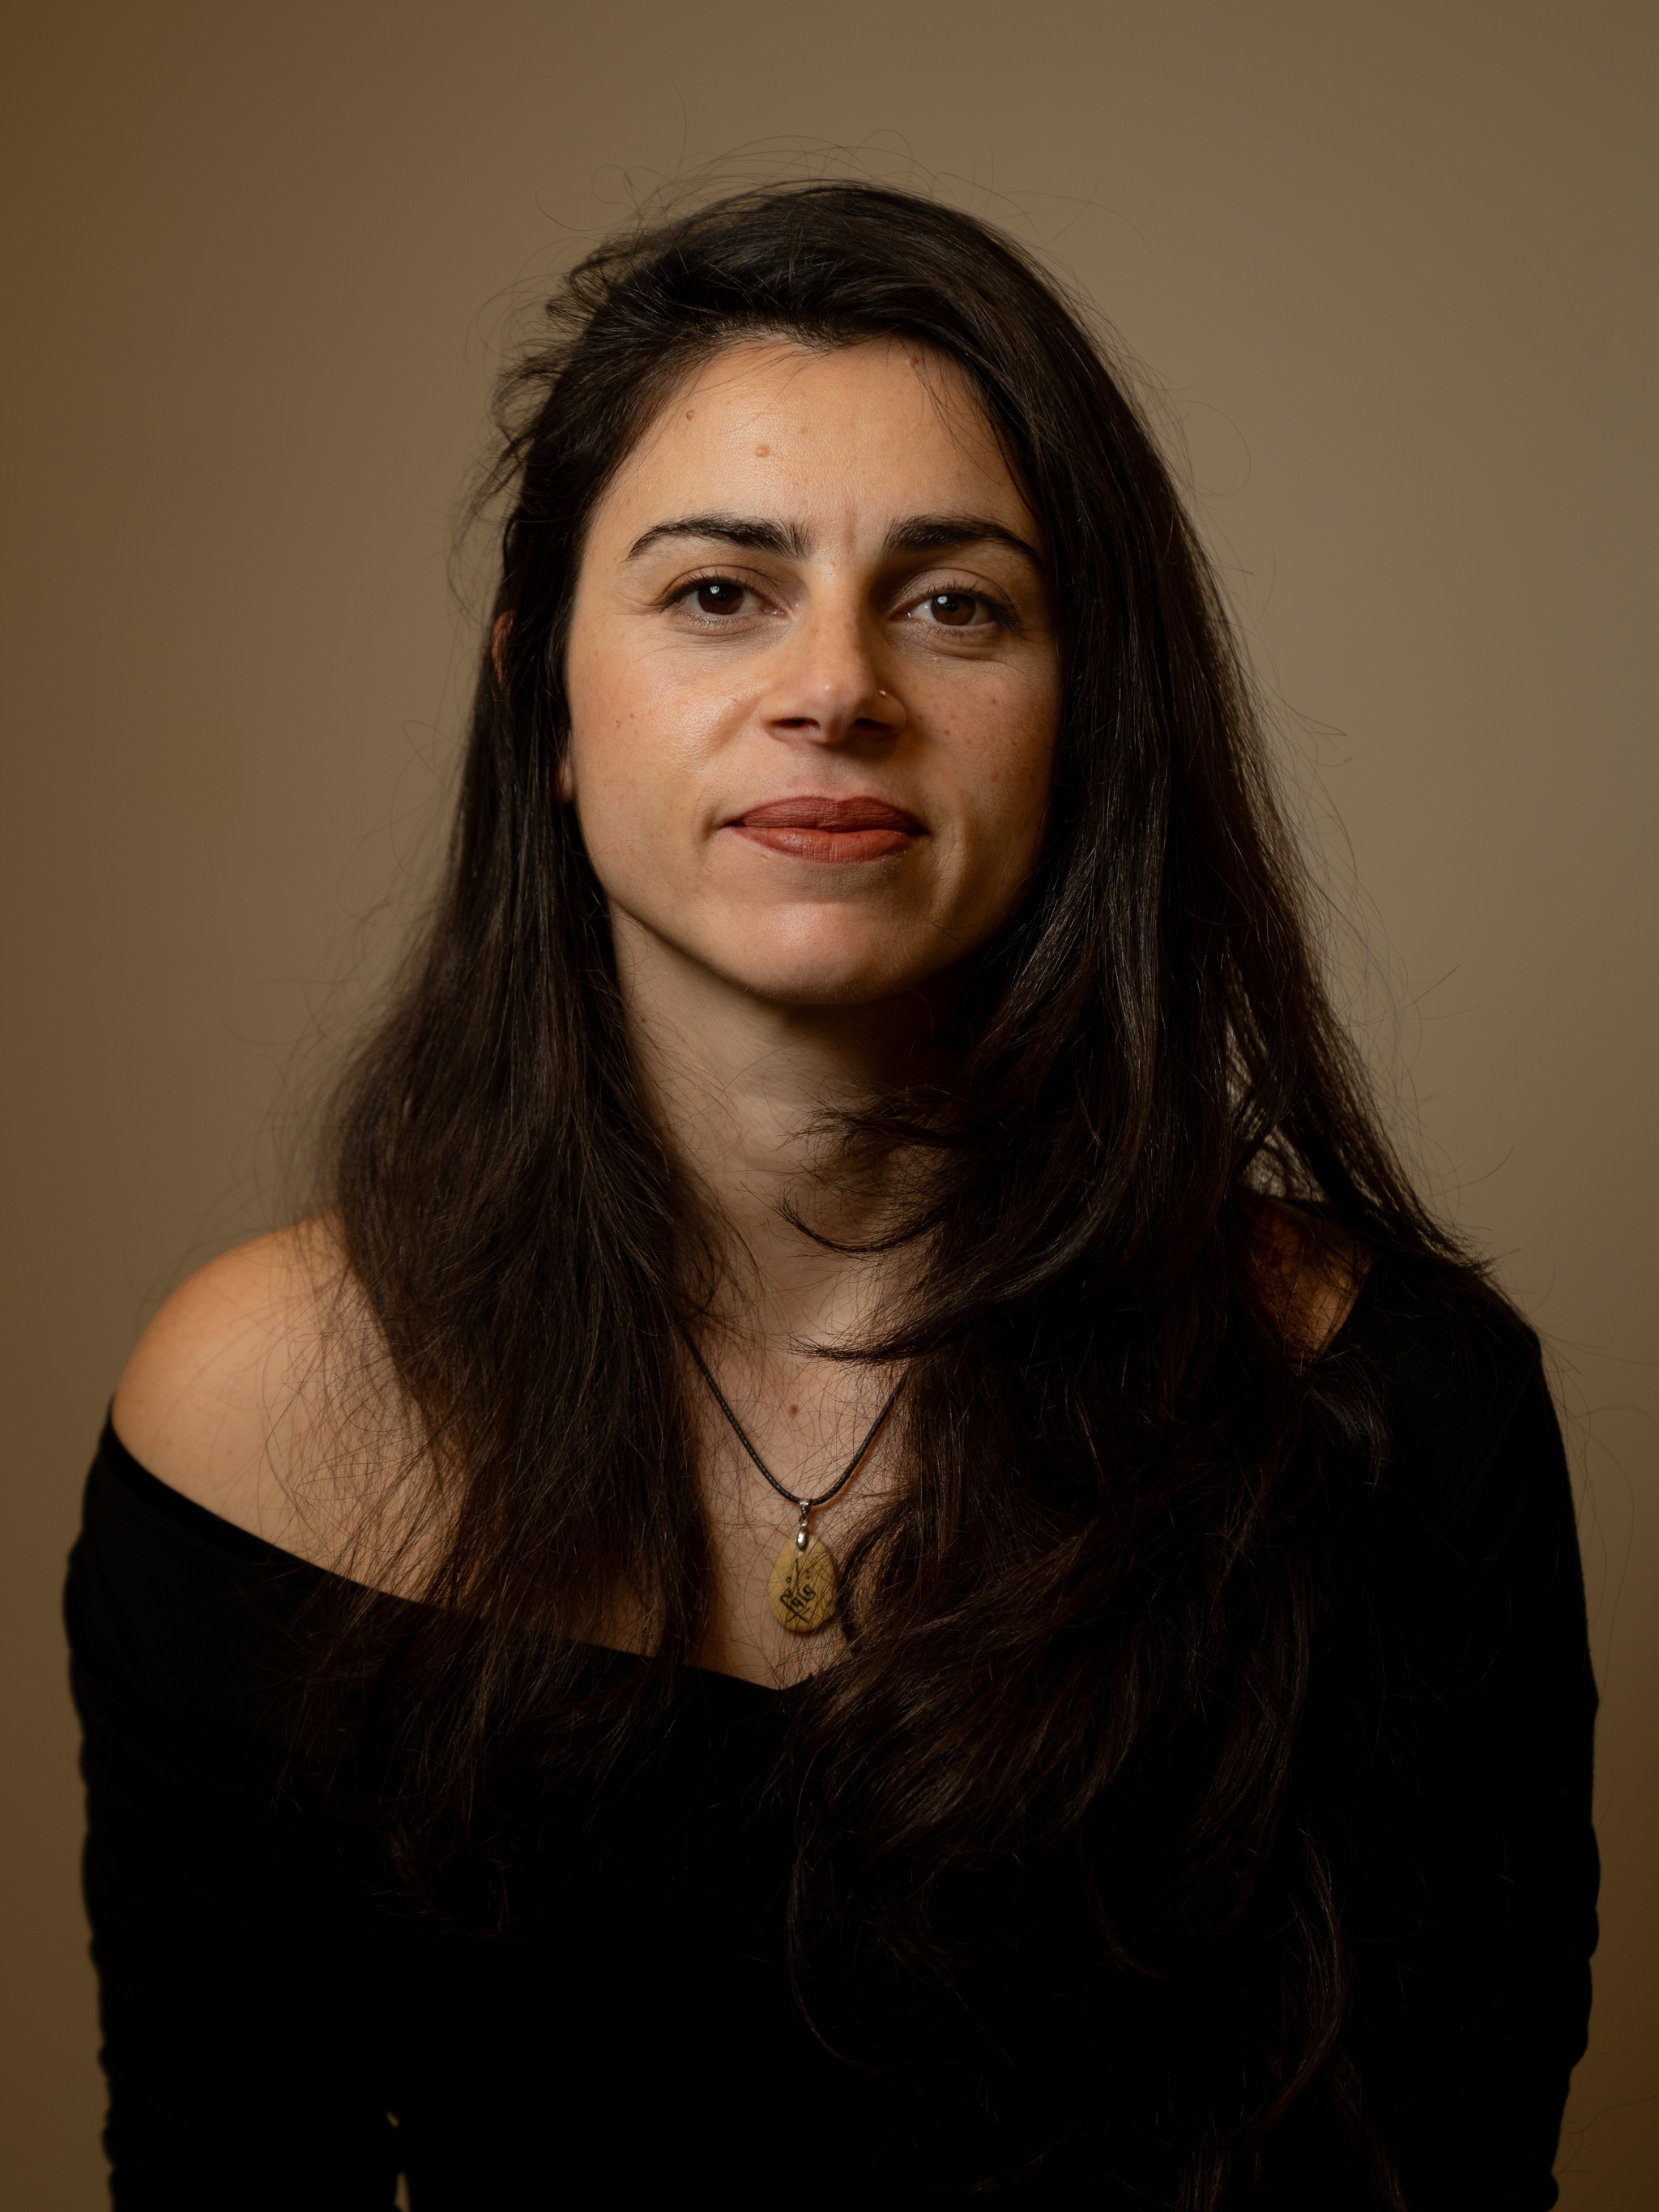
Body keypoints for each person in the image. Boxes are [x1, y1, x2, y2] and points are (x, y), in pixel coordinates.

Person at [67, 181, 1597, 2208]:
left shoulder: (1395, 1423)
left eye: (956, 603)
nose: (835, 687)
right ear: (542, 697)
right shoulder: (251, 1418)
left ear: (1085, 715)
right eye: (719, 591)